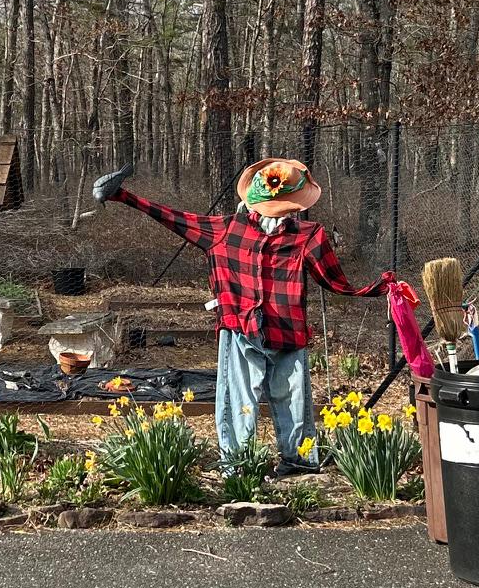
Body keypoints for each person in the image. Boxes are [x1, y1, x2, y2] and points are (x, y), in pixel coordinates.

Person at [93, 158, 383, 475]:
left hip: (287, 332)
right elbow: (175, 219)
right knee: (239, 398)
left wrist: (380, 288)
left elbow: (335, 281)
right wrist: (124, 196)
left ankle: (297, 460)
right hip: (241, 328)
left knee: (292, 397)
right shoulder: (225, 230)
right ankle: (239, 465)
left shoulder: (308, 236)